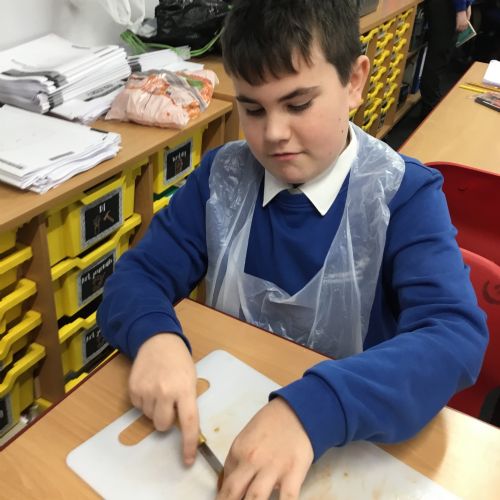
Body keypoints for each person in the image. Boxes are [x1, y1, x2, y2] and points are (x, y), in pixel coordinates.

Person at [98, 1, 488, 498]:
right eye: (253, 109)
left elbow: (453, 336)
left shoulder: (401, 196)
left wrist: (316, 408)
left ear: (354, 81)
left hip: (350, 440)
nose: (274, 134)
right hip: (231, 412)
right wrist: (156, 336)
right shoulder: (222, 177)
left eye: (298, 105)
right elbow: (138, 276)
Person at [420, 0, 473, 117]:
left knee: (440, 57)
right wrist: (461, 9)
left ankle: (430, 106)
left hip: (452, 5)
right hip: (446, 5)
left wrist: (467, 4)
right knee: (438, 59)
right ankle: (430, 110)